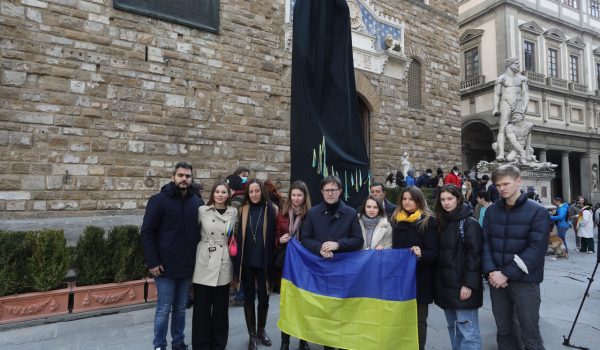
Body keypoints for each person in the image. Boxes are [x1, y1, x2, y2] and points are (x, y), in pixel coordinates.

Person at [482, 164, 550, 350]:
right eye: (498, 185)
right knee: (504, 332)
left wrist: (506, 273)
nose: (502, 188)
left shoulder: (538, 212)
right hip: (497, 281)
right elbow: (485, 243)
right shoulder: (491, 211)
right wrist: (492, 271)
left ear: (518, 181)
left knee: (529, 333)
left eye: (506, 183)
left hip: (525, 282)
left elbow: (536, 250)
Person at [141, 161, 202, 350]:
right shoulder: (158, 200)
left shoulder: (197, 202)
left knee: (181, 309)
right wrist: (153, 262)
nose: (184, 179)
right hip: (164, 267)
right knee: (163, 309)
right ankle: (159, 345)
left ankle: (178, 343)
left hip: (186, 266)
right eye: (181, 175)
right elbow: (147, 232)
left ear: (191, 179)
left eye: (187, 176)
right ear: (172, 176)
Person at [301, 176, 363, 350]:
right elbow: (305, 238)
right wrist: (319, 247)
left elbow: (358, 240)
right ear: (321, 192)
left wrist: (338, 244)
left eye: (333, 190)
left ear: (340, 191)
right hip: (321, 270)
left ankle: (344, 344)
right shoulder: (313, 213)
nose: (330, 193)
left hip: (343, 271)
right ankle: (327, 344)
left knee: (344, 310)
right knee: (325, 310)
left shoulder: (350, 213)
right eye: (327, 190)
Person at [434, 184, 483, 350]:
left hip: (463, 286)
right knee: (454, 330)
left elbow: (475, 256)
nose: (446, 203)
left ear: (458, 199)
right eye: (442, 200)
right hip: (446, 287)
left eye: (449, 199)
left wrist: (468, 284)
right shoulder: (441, 222)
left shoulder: (469, 223)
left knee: (468, 333)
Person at [390, 187, 439, 350]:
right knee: (400, 319)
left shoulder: (428, 221)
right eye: (404, 199)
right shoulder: (396, 220)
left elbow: (434, 253)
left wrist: (421, 253)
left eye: (411, 199)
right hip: (399, 280)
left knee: (418, 320)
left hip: (420, 280)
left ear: (418, 201)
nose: (407, 202)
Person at [192, 182, 238, 350]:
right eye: (217, 191)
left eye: (223, 192)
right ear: (213, 194)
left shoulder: (234, 212)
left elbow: (233, 235)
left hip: (223, 260)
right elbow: (192, 232)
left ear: (228, 195)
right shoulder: (202, 210)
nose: (220, 194)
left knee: (220, 309)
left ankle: (219, 344)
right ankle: (201, 344)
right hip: (205, 258)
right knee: (201, 308)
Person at [235, 179, 277, 350]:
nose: (254, 194)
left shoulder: (270, 209)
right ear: (248, 193)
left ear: (262, 192)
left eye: (257, 191)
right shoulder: (242, 210)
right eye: (251, 191)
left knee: (264, 298)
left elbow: (275, 233)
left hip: (264, 261)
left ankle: (261, 330)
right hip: (247, 262)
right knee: (249, 299)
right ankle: (251, 334)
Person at [276, 180, 312, 350]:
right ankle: (285, 341)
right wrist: (280, 240)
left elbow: (313, 239)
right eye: (294, 195)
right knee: (287, 304)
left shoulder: (311, 215)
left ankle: (303, 340)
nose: (296, 198)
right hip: (288, 265)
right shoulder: (282, 214)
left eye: (300, 195)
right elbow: (275, 236)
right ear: (290, 196)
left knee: (304, 304)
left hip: (304, 266)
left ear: (305, 197)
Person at [492, 57, 529, 162]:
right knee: (502, 128)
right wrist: (495, 108)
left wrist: (524, 106)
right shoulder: (501, 78)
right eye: (516, 64)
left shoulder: (522, 78)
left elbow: (525, 93)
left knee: (520, 126)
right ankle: (501, 154)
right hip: (506, 102)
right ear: (509, 65)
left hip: (518, 102)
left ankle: (519, 152)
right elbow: (497, 94)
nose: (518, 66)